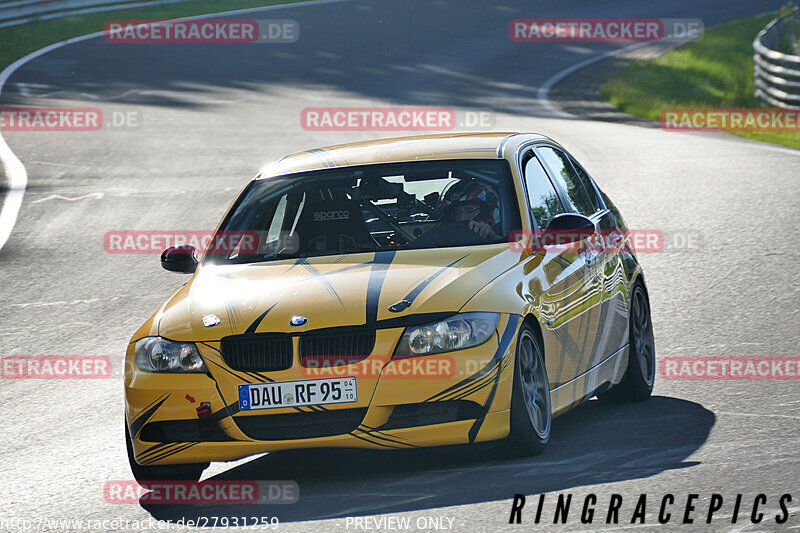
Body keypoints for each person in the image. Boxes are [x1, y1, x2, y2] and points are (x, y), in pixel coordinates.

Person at [412, 179, 502, 246]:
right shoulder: (443, 238)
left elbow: (514, 249)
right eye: (456, 213)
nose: (462, 218)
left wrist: (493, 239)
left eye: (469, 211)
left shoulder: (510, 230)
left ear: (488, 209)